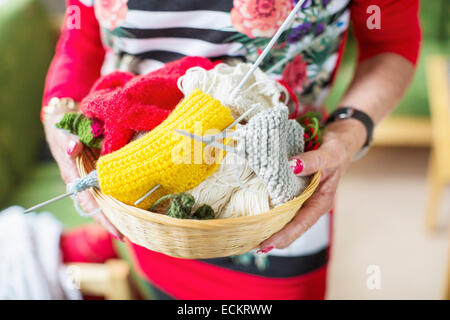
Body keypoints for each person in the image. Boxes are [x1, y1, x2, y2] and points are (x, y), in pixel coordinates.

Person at [42, 0, 421, 299]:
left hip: (273, 209)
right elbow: (81, 32)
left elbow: (391, 42)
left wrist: (349, 130)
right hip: (148, 205)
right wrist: (58, 108)